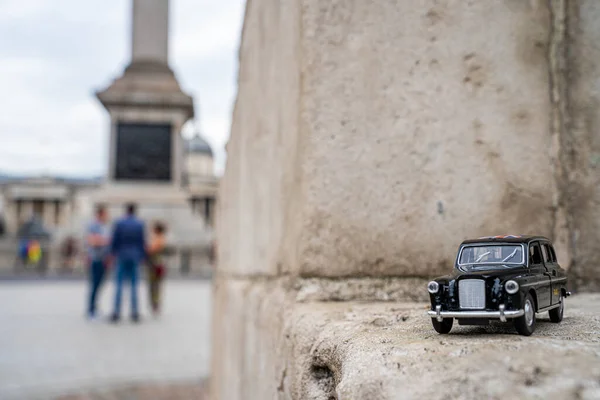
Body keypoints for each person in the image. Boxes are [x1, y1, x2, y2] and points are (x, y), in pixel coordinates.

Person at [110, 203, 146, 323]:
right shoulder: (139, 224)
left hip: (122, 255)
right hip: (135, 255)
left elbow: (115, 240)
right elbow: (142, 241)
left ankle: (116, 311)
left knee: (119, 285)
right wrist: (142, 256)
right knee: (134, 285)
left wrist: (112, 254)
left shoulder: (119, 223)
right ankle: (134, 312)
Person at [86, 205, 110, 319]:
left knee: (99, 285)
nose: (107, 216)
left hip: (103, 259)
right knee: (95, 284)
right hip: (96, 258)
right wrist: (105, 241)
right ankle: (91, 309)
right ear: (100, 214)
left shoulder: (103, 226)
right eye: (105, 214)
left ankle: (95, 307)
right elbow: (92, 241)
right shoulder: (94, 225)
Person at [146, 221, 167, 315]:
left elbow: (151, 249)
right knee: (155, 285)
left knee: (155, 285)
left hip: (155, 264)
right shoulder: (158, 238)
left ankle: (155, 304)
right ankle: (155, 304)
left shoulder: (159, 238)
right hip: (156, 263)